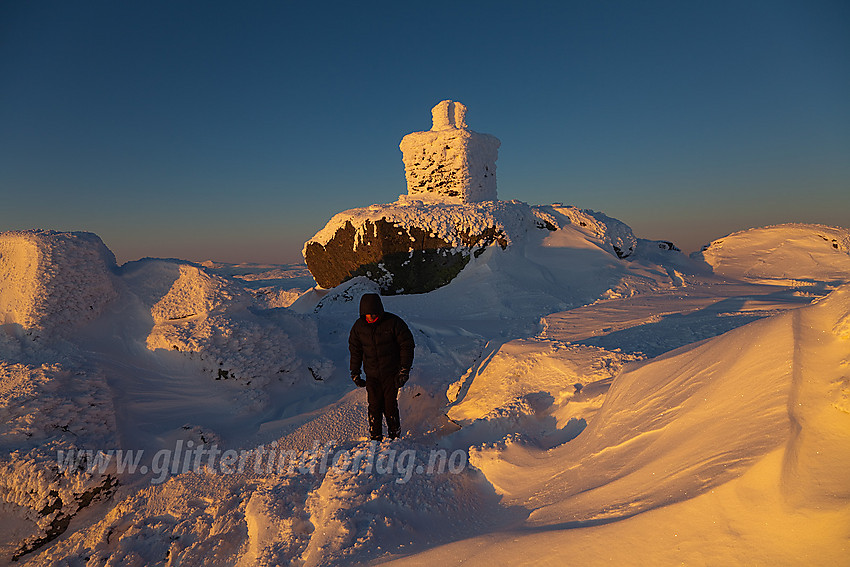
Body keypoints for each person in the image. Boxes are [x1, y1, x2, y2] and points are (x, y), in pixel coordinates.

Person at [349, 293, 414, 441]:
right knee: (374, 405)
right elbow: (355, 350)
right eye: (367, 314)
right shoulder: (359, 327)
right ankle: (375, 437)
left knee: (390, 405)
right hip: (372, 375)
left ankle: (395, 436)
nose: (370, 317)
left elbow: (407, 345)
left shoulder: (393, 323)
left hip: (391, 373)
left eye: (373, 313)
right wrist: (355, 371)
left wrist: (404, 370)